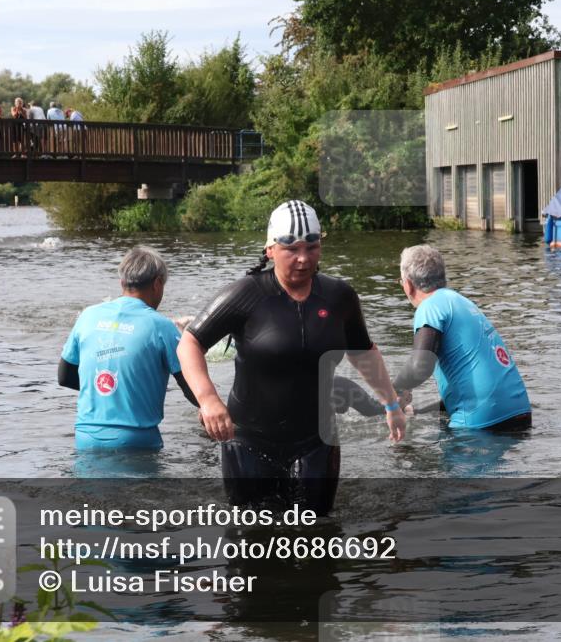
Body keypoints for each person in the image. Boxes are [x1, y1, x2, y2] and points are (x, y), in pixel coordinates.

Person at [178, 200, 405, 516]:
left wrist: (391, 405)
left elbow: (364, 352)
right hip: (248, 441)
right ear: (270, 249)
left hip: (316, 439)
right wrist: (208, 399)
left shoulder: (339, 297)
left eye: (312, 247)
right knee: (251, 537)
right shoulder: (245, 295)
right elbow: (189, 343)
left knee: (316, 534)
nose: (303, 258)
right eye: (291, 248)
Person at [59, 246, 198, 450]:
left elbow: (64, 377)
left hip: (86, 438)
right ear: (158, 283)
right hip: (136, 442)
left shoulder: (88, 316)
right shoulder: (163, 326)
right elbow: (191, 386)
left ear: (122, 282)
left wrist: (110, 390)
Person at [393, 245, 532, 431]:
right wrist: (417, 412)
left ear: (408, 285)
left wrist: (394, 390)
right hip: (520, 412)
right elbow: (467, 386)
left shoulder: (429, 307)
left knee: (404, 454)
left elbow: (421, 366)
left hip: (483, 420)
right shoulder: (461, 302)